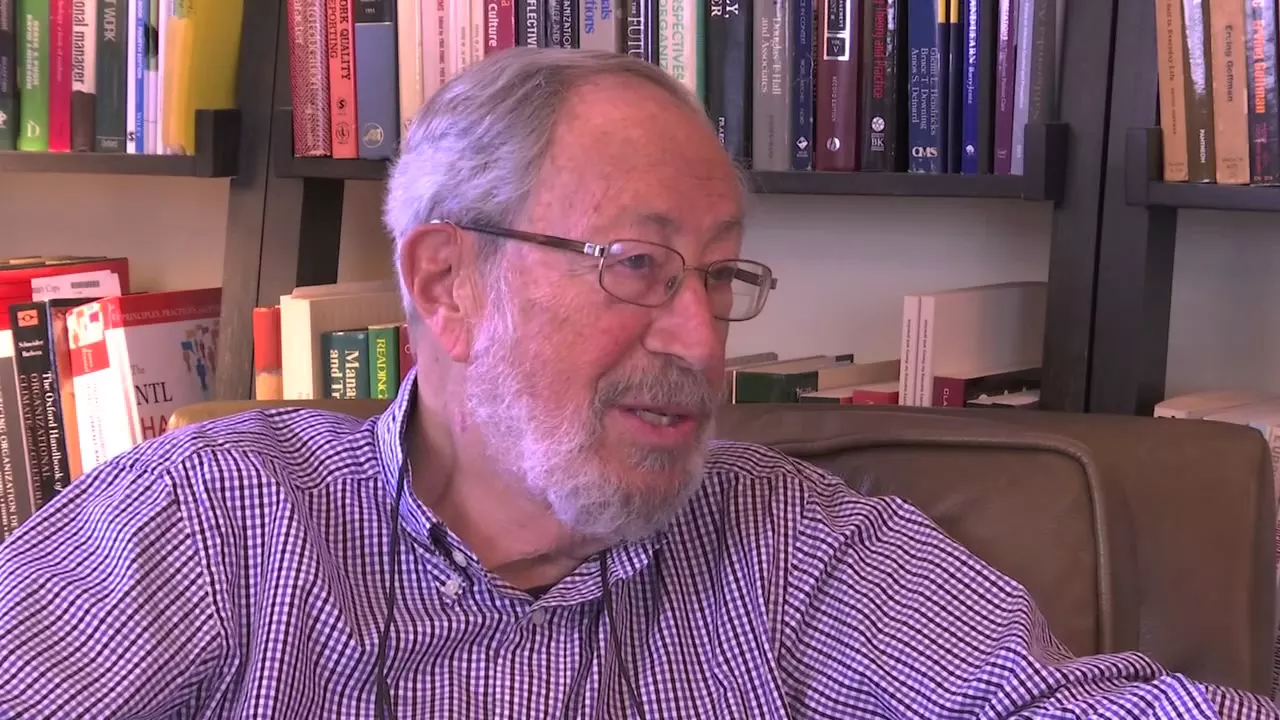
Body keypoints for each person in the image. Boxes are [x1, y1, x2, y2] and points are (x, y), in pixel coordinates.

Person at [0, 48, 1274, 720]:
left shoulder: (796, 550)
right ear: (447, 283)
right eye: (637, 265)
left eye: (718, 276)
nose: (701, 342)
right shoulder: (213, 522)